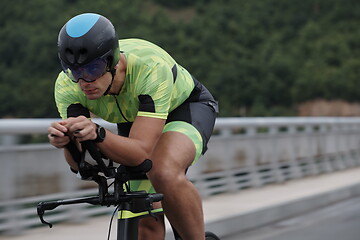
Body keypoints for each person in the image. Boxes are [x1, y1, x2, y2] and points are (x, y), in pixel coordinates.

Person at [48, 13, 218, 240]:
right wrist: (67, 143)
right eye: (74, 71)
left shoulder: (149, 68)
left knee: (163, 171)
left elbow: (142, 153)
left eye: (92, 70)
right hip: (134, 119)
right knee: (143, 217)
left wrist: (99, 134)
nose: (84, 82)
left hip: (184, 107)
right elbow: (82, 166)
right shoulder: (66, 86)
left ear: (112, 61)